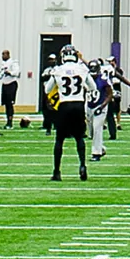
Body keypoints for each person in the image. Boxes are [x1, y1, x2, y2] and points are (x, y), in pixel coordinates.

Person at [48, 45, 90, 181]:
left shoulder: (58, 70)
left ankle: (57, 171)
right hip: (78, 104)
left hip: (64, 105)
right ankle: (83, 165)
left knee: (59, 139)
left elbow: (48, 89)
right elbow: (92, 87)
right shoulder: (82, 69)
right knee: (79, 138)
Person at [0, 50, 22, 130]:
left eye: (4, 54)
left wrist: (9, 72)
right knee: (6, 104)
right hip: (5, 84)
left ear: (8, 55)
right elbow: (0, 75)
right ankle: (7, 121)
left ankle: (10, 122)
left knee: (10, 104)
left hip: (11, 84)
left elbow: (17, 72)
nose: (2, 56)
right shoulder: (3, 64)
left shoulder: (13, 62)